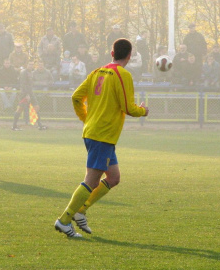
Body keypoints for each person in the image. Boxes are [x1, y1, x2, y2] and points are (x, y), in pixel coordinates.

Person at [54, 38, 149, 238]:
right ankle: (64, 220)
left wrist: (86, 119)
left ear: (112, 53)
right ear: (129, 56)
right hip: (102, 135)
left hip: (95, 132)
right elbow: (128, 107)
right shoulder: (122, 75)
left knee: (113, 178)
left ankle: (81, 210)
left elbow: (76, 97)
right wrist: (143, 111)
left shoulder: (97, 72)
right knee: (92, 179)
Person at [12, 61, 47, 131]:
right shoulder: (24, 72)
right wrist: (26, 95)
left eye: (32, 65)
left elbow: (31, 84)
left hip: (31, 93)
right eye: (29, 64)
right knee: (20, 109)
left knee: (36, 107)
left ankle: (40, 125)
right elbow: (23, 84)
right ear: (26, 65)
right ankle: (14, 126)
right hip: (25, 94)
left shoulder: (31, 72)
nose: (31, 66)